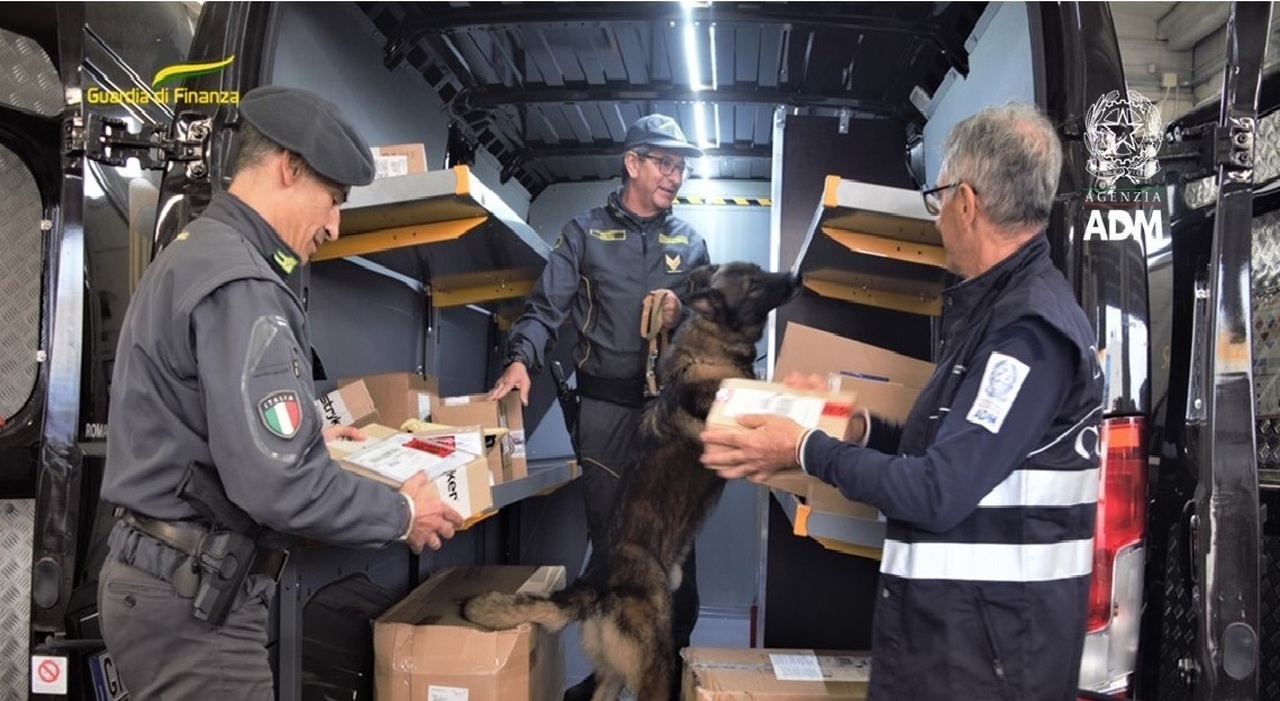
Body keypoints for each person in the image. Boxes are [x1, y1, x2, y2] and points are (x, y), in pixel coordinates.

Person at [700, 103, 1104, 701]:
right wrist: (860, 430)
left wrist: (805, 448)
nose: (937, 216)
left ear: (967, 203)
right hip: (954, 648)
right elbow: (953, 451)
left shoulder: (1027, 337)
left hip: (986, 668)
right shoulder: (993, 314)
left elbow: (937, 492)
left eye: (938, 197)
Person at [97, 85, 465, 700]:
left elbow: (197, 419)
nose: (334, 224)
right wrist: (403, 514)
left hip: (165, 586)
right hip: (192, 607)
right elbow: (278, 486)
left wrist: (306, 436)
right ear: (289, 168)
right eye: (333, 200)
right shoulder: (244, 282)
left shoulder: (198, 252)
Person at [488, 113, 711, 701]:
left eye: (682, 166)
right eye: (664, 163)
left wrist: (679, 317)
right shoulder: (582, 232)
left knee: (676, 565)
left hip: (668, 424)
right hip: (605, 418)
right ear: (631, 163)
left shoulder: (690, 242)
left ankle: (668, 674)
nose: (675, 176)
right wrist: (520, 361)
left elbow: (707, 328)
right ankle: (606, 679)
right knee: (616, 556)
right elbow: (544, 311)